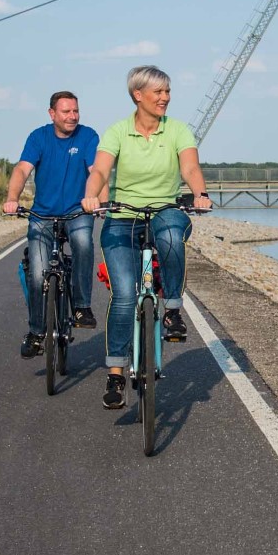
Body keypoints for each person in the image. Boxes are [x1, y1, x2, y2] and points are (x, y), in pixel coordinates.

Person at [80, 65, 211, 410]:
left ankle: (171, 311)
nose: (165, 98)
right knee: (124, 295)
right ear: (138, 95)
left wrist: (199, 192)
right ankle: (115, 374)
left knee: (172, 234)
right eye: (158, 92)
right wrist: (92, 195)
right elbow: (100, 170)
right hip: (123, 217)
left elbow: (190, 168)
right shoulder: (118, 132)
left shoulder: (178, 130)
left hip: (164, 209)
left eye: (168, 91)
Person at [6, 91, 99, 358]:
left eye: (76, 111)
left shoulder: (88, 136)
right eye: (66, 111)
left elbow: (96, 172)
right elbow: (23, 169)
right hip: (42, 216)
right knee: (37, 274)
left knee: (82, 242)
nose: (73, 116)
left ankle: (81, 307)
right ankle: (36, 332)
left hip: (77, 211)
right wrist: (12, 199)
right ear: (52, 114)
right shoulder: (39, 137)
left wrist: (99, 201)